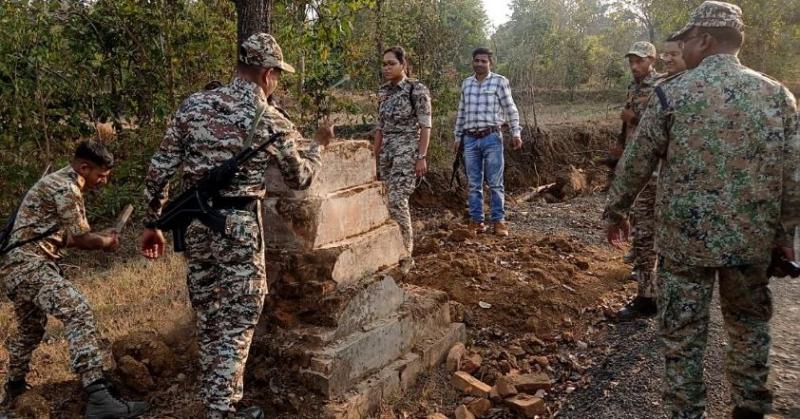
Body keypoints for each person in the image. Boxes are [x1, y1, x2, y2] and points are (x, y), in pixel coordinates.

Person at [604, 2, 799, 418]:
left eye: (688, 39)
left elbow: (637, 162)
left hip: (684, 247)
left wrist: (615, 210)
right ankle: (749, 407)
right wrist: (785, 238)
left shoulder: (671, 93)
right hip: (751, 244)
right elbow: (792, 178)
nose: (683, 46)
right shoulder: (777, 95)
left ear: (705, 40)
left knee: (683, 339)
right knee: (749, 330)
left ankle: (686, 412)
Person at [139, 33, 332, 419]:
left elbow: (158, 171)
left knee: (210, 316)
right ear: (266, 73)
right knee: (240, 319)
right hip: (238, 227)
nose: (276, 80)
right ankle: (223, 410)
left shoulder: (193, 106)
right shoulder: (271, 119)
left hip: (195, 226)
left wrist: (152, 223)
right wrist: (320, 145)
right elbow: (300, 178)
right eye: (277, 74)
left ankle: (217, 401)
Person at [0, 141, 148, 418]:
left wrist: (101, 236)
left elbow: (64, 238)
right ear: (84, 167)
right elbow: (81, 238)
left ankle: (14, 388)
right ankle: (98, 394)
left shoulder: (59, 182)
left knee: (31, 329)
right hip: (29, 265)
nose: (103, 181)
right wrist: (105, 243)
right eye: (101, 175)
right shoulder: (66, 187)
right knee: (77, 308)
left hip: (17, 267)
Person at [617, 41, 665, 320]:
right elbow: (627, 123)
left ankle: (648, 297)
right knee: (638, 216)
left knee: (647, 225)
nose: (635, 66)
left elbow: (663, 122)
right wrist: (620, 145)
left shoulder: (662, 85)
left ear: (652, 60)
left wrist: (635, 117)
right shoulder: (633, 87)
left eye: (639, 61)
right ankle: (641, 262)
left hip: (653, 167)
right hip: (634, 162)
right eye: (631, 61)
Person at [453, 47, 523, 236]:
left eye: (484, 61)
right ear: (472, 62)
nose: (480, 64)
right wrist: (457, 136)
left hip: (492, 137)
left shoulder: (499, 82)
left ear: (490, 63)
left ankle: (498, 221)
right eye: (477, 60)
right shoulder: (466, 84)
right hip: (470, 139)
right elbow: (461, 112)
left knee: (495, 182)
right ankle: (477, 221)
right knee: (474, 183)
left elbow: (510, 109)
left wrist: (516, 132)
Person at [373, 46, 432, 272]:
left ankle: (406, 255)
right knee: (385, 200)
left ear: (403, 65)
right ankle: (389, 250)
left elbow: (425, 126)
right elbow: (380, 127)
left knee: (398, 200)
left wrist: (421, 157)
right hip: (387, 153)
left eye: (391, 63)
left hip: (407, 152)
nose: (387, 68)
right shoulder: (383, 92)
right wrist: (373, 156)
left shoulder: (416, 90)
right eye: (384, 64)